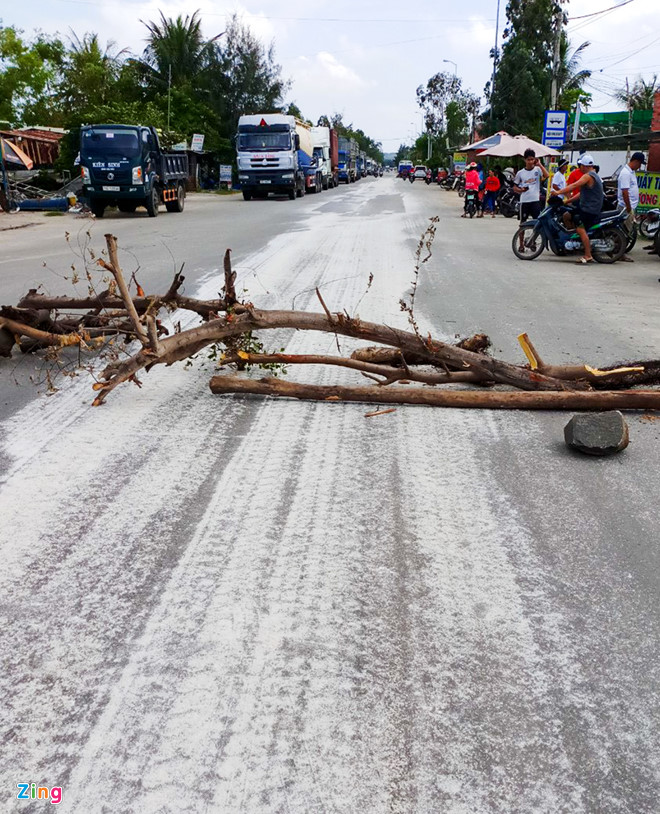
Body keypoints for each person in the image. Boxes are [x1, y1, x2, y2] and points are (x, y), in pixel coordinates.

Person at [560, 154, 603, 265]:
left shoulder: (589, 176)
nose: (579, 168)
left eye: (581, 166)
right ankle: (575, 240)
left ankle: (588, 255)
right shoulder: (593, 176)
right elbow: (580, 194)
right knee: (566, 215)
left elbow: (574, 185)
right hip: (585, 207)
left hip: (590, 210)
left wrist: (558, 192)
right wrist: (566, 201)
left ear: (584, 166)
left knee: (580, 227)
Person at [513, 148, 549, 247]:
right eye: (528, 159)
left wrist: (540, 164)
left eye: (532, 159)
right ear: (525, 160)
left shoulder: (537, 170)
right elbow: (515, 187)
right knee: (523, 223)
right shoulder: (520, 173)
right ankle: (520, 245)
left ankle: (532, 241)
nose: (530, 162)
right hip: (524, 201)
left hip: (535, 201)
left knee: (537, 223)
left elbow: (547, 175)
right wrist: (520, 190)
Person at [617, 151, 645, 262]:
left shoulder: (631, 172)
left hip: (629, 207)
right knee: (623, 231)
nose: (639, 167)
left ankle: (620, 252)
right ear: (636, 161)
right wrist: (628, 208)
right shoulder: (625, 173)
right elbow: (625, 192)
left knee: (626, 231)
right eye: (640, 164)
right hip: (625, 207)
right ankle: (620, 253)